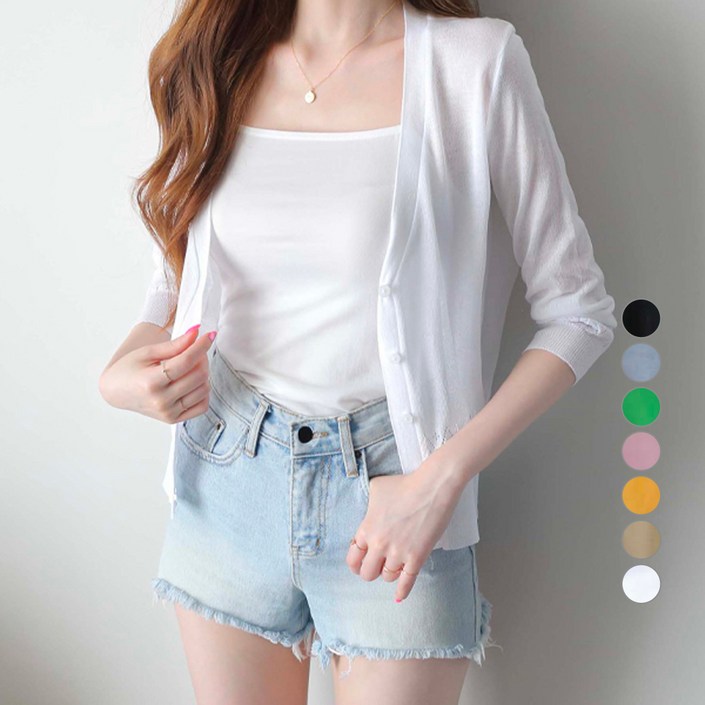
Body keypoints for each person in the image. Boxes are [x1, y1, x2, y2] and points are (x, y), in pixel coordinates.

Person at [99, 1, 617, 703]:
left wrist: (438, 481)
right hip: (226, 475)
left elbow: (578, 313)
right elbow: (178, 269)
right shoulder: (216, 57)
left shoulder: (475, 63)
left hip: (399, 493)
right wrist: (124, 370)